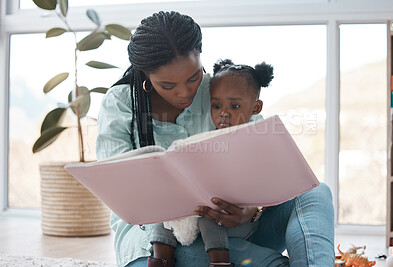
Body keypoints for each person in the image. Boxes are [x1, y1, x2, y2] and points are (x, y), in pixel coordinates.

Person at [96, 10, 335, 267]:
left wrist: (249, 212)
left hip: (239, 231)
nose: (185, 92)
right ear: (145, 74)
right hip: (157, 244)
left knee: (316, 192)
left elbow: (267, 164)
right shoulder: (121, 103)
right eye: (168, 85)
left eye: (193, 77)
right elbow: (121, 194)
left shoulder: (222, 91)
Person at [149, 59, 274, 267]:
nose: (223, 113)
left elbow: (265, 185)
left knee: (210, 217)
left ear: (255, 107)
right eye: (216, 106)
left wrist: (249, 208)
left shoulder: (255, 142)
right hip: (200, 210)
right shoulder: (208, 139)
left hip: (235, 219)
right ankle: (160, 261)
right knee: (166, 214)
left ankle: (220, 263)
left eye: (234, 106)